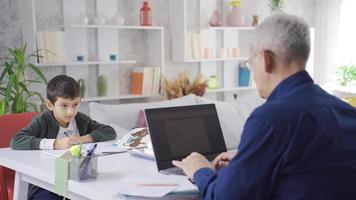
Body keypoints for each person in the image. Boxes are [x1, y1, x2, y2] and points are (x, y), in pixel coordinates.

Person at [173, 13, 356, 200]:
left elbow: (224, 197)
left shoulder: (270, 118)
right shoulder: (346, 111)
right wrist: (250, 158)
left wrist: (200, 170)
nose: (253, 73)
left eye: (251, 63)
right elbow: (314, 170)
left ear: (266, 59)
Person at [11, 75, 116, 200]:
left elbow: (109, 131)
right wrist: (56, 144)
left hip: (77, 182)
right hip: (45, 184)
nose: (71, 112)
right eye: (64, 106)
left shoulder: (81, 120)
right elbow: (16, 140)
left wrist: (84, 138)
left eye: (75, 104)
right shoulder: (42, 121)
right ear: (50, 105)